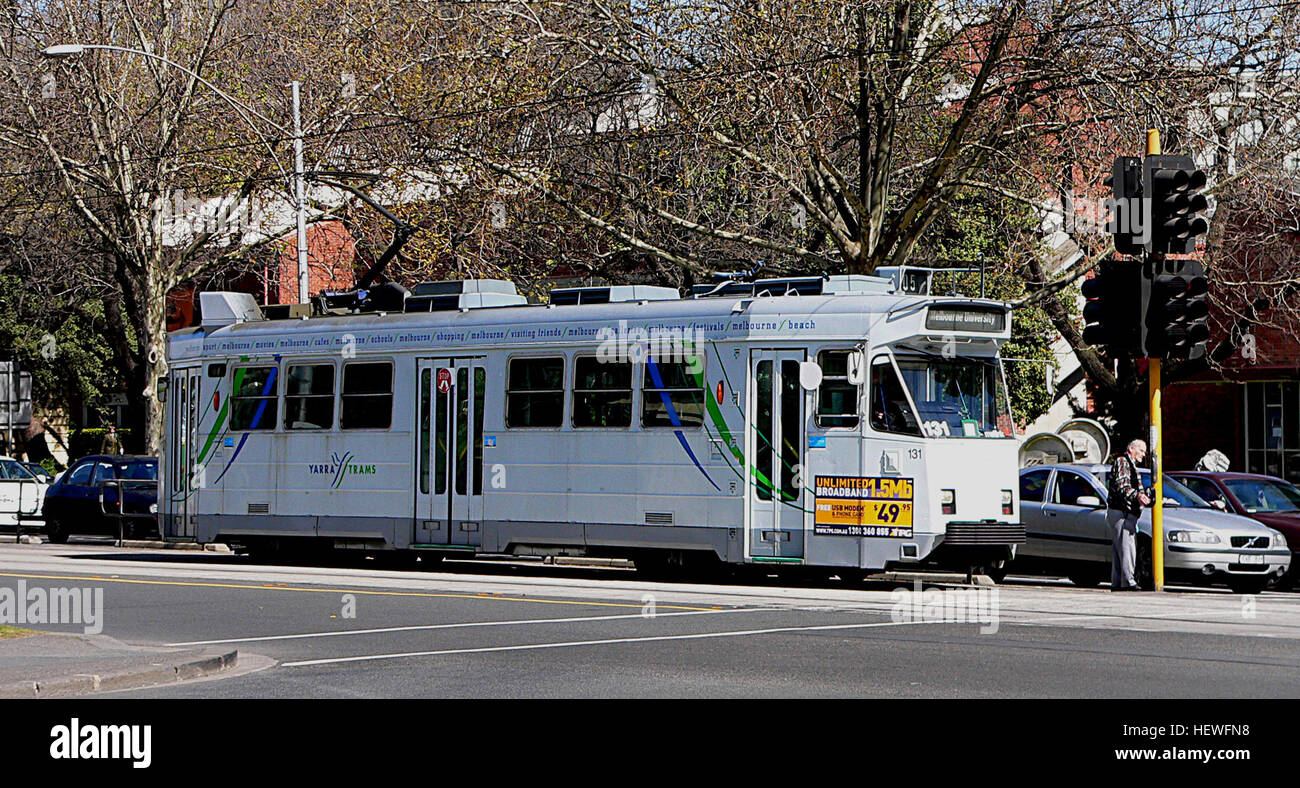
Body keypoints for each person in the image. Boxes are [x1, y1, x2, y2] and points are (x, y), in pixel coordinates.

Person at [1107, 439, 1152, 591]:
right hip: (1121, 513)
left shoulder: (1130, 465)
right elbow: (1122, 486)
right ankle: (1128, 581)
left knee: (1121, 548)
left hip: (1125, 513)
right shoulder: (1122, 462)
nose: (1143, 455)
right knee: (1126, 547)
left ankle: (1119, 582)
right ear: (1132, 448)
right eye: (1141, 450)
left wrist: (1144, 496)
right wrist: (1138, 496)